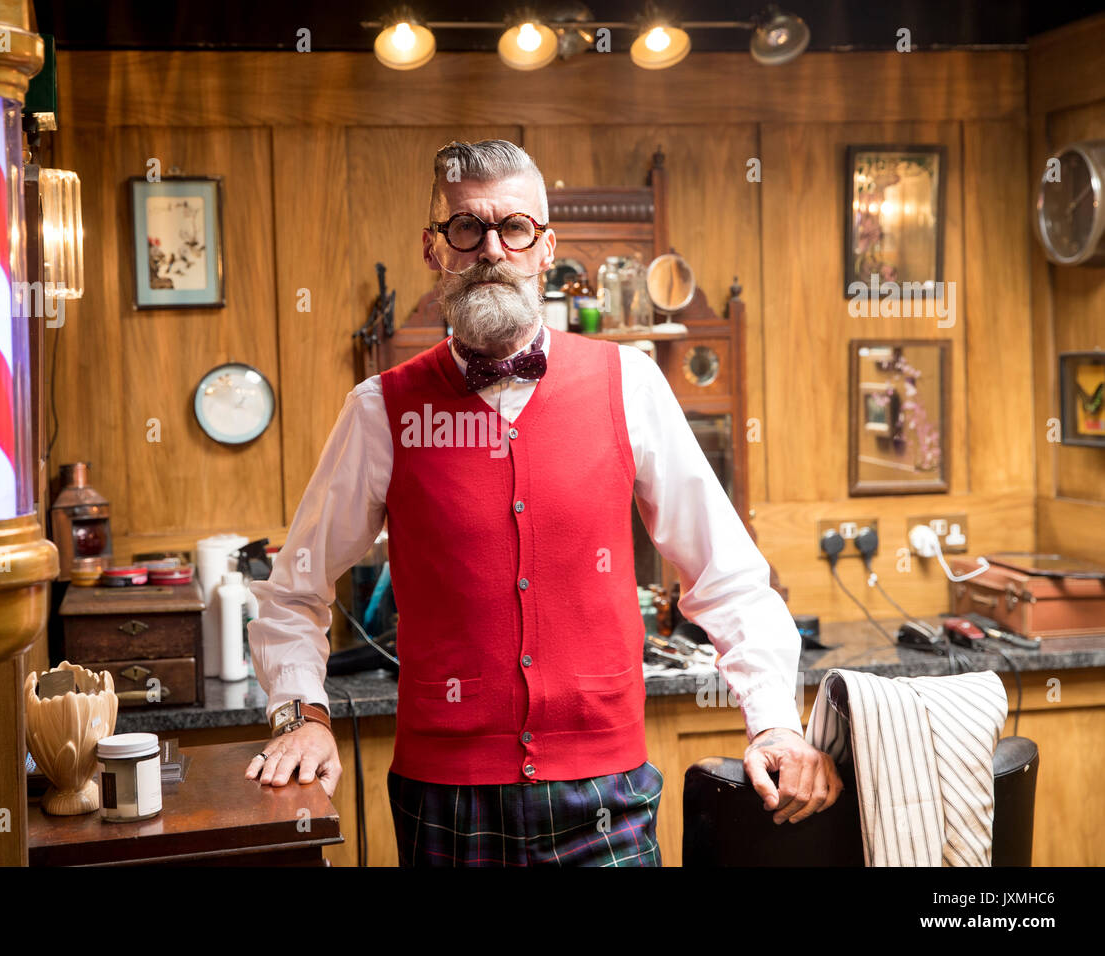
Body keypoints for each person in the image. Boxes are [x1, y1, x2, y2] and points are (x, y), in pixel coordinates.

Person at [246, 139, 841, 866]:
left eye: (514, 228)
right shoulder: (381, 409)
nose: (491, 249)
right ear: (435, 250)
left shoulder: (632, 383)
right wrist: (302, 716)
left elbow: (729, 578)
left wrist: (774, 722)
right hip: (445, 794)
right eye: (466, 229)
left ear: (544, 247)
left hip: (606, 792)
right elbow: (291, 595)